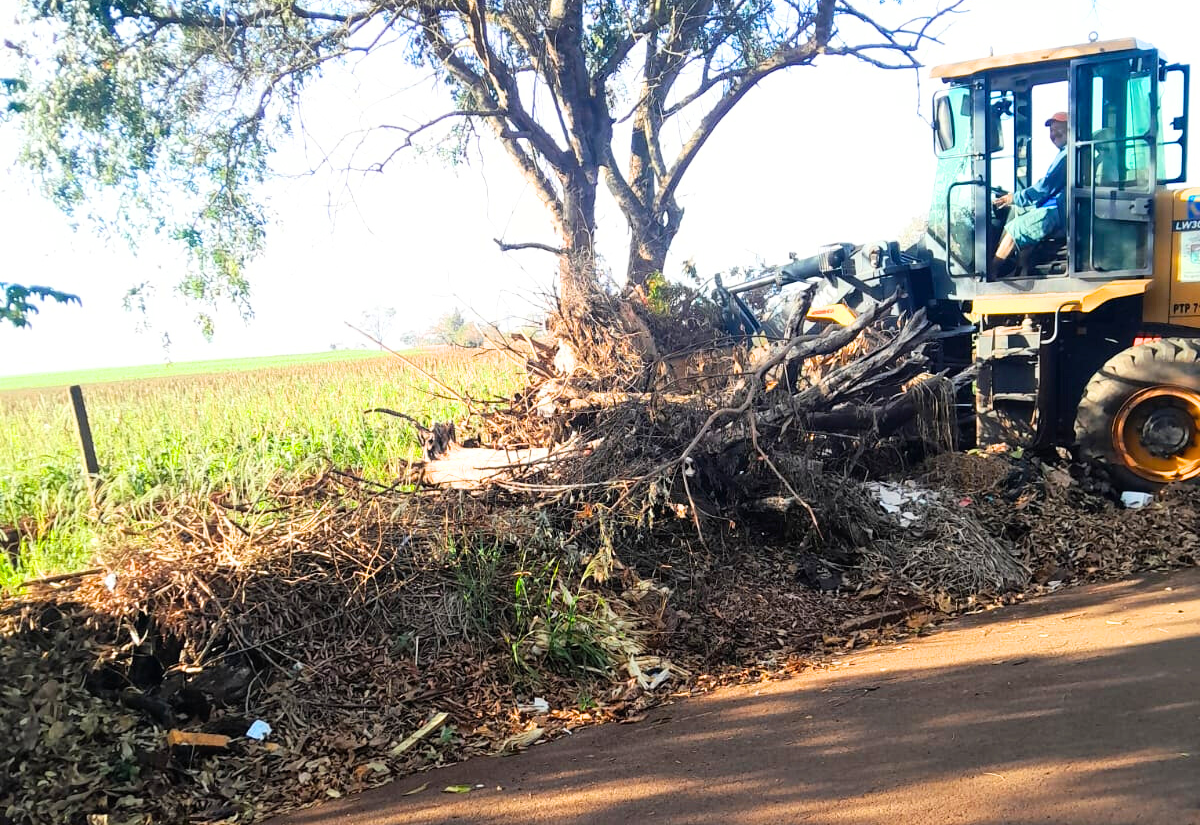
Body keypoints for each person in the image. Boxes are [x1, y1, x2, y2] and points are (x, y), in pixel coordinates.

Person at [989, 111, 1068, 277]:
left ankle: (991, 273)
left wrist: (1014, 197)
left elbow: (1045, 187)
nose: (1054, 134)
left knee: (1015, 229)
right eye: (1051, 130)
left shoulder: (1067, 156)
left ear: (1071, 128)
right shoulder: (1065, 153)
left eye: (1058, 129)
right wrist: (1016, 200)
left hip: (1061, 211)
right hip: (1060, 205)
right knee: (1018, 212)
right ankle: (1021, 270)